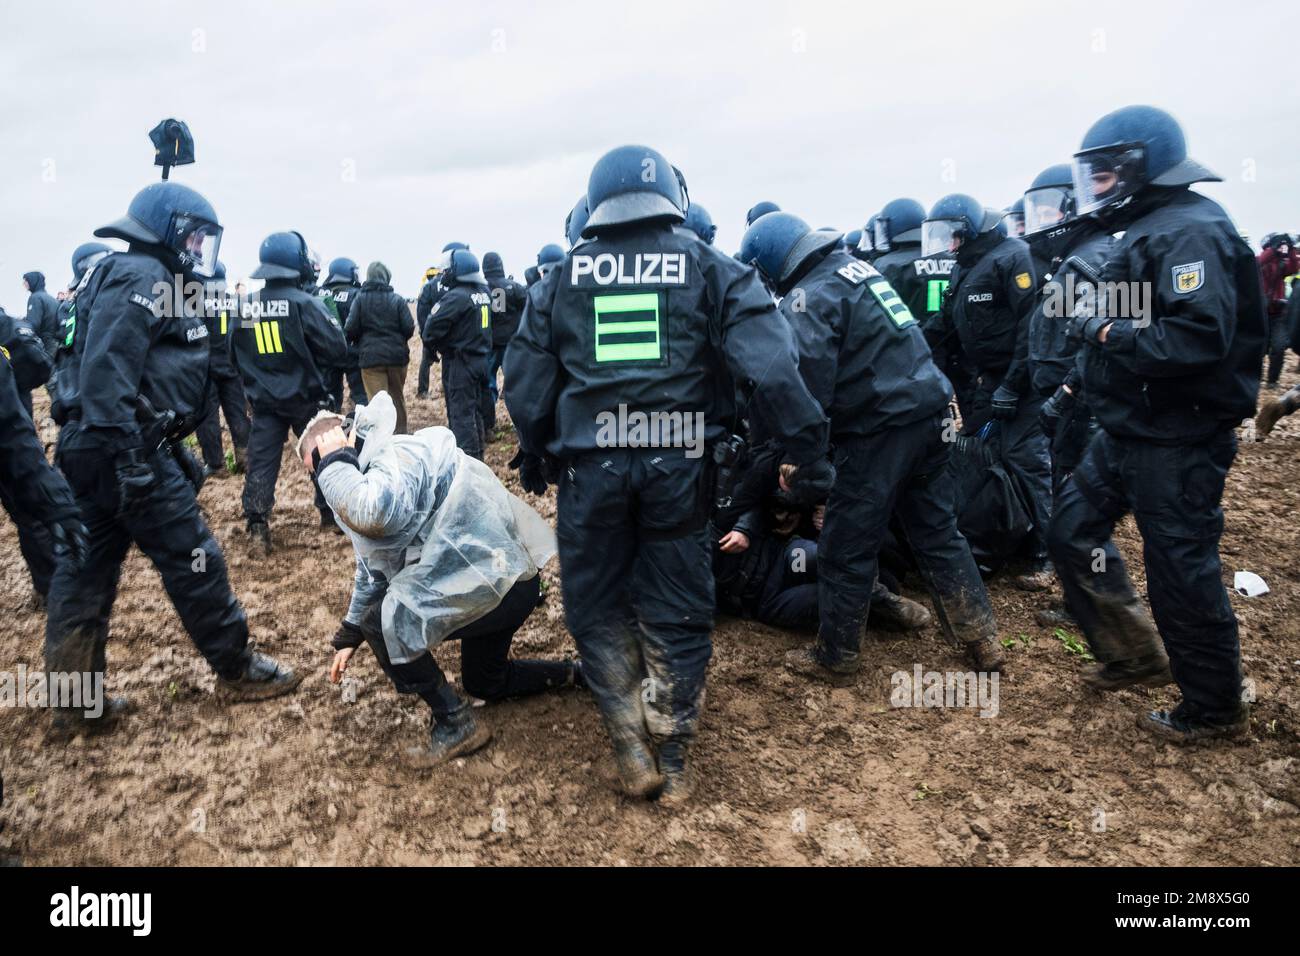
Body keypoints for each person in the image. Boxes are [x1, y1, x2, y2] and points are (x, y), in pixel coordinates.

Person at [506, 145, 831, 804]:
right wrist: (809, 454)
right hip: (678, 468)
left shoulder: (558, 280)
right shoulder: (716, 270)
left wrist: (538, 450)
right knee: (679, 606)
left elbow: (524, 386)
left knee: (597, 607)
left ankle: (629, 740)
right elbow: (773, 370)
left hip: (590, 471)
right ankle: (675, 751)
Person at [45, 181, 301, 736]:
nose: (198, 248)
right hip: (119, 449)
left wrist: (169, 446)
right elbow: (108, 374)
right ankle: (236, 668)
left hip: (91, 448)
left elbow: (128, 375)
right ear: (167, 231)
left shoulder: (120, 273)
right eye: (193, 235)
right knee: (195, 559)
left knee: (85, 572)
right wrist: (137, 460)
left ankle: (73, 703)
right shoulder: (143, 277)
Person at [1048, 105, 1266, 743]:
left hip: (1179, 436)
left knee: (1180, 570)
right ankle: (1135, 653)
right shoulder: (1147, 229)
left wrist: (1107, 328)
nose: (1097, 188)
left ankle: (1216, 710)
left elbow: (1196, 338)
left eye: (1107, 175)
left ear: (1144, 166)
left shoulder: (1188, 232)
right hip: (1128, 429)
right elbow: (1105, 307)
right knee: (1070, 529)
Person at [741, 212, 1003, 676]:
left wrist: (801, 457)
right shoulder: (856, 270)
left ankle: (836, 657)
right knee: (937, 531)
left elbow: (809, 389)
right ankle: (981, 639)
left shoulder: (808, 297)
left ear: (772, 265)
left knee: (845, 544)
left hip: (880, 430)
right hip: (929, 414)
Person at [303, 393, 578, 766]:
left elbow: (375, 514)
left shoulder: (390, 464)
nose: (319, 481)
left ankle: (456, 722)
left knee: (383, 625)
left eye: (316, 468)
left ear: (339, 448)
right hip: (503, 583)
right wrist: (349, 633)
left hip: (502, 584)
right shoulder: (370, 471)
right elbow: (373, 569)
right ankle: (575, 674)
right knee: (486, 681)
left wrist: (335, 465)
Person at [923, 192, 1051, 589]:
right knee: (978, 455)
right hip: (986, 381)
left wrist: (1014, 385)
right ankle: (1003, 537)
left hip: (1022, 380)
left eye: (952, 235)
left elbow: (1033, 327)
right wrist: (903, 347)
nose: (948, 244)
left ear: (970, 230)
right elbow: (943, 322)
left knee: (1027, 460)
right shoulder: (966, 266)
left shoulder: (1014, 257)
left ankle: (1048, 555)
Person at [231, 230, 349, 554]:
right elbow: (337, 350)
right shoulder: (306, 303)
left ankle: (257, 527)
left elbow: (233, 356)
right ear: (298, 261)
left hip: (264, 402)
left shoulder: (246, 307)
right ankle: (330, 515)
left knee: (262, 463)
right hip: (305, 399)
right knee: (322, 456)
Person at [0, 305, 60, 606]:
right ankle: (48, 586)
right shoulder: (11, 324)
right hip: (14, 432)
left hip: (10, 436)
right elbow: (40, 366)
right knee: (31, 513)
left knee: (30, 515)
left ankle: (49, 587)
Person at [424, 248, 492, 460]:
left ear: (457, 270)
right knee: (476, 413)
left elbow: (431, 329)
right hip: (481, 360)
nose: (444, 273)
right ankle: (478, 458)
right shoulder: (483, 292)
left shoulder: (455, 297)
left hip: (461, 363)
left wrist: (436, 347)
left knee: (461, 415)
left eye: (446, 270)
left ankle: (466, 463)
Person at [194, 261, 250, 477]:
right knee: (238, 414)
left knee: (207, 418)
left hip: (204, 370)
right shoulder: (238, 303)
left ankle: (216, 465)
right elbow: (250, 338)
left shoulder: (193, 303)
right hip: (233, 368)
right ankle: (246, 459)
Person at [344, 261, 413, 434]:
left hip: (370, 359)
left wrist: (361, 341)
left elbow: (350, 328)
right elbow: (409, 327)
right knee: (397, 397)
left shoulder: (360, 299)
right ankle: (401, 434)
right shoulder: (397, 300)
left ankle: (382, 437)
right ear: (386, 278)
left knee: (377, 402)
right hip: (397, 359)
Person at [482, 252, 526, 430]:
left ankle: (488, 424)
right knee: (516, 385)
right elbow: (527, 312)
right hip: (512, 344)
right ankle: (520, 424)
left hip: (489, 345)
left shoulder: (481, 289)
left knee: (488, 385)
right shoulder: (515, 287)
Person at [416, 244, 465, 398]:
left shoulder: (429, 287)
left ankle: (423, 390)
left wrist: (426, 334)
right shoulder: (460, 286)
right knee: (449, 363)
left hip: (433, 330)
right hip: (454, 334)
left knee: (426, 361)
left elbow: (421, 312)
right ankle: (448, 389)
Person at [321, 256, 368, 411]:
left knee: (332, 394)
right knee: (360, 396)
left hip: (329, 353)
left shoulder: (321, 294)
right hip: (352, 352)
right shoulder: (357, 294)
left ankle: (333, 429)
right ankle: (356, 430)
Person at [1258, 233, 1300, 389]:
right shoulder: (1262, 260)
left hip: (1279, 313)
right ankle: (1255, 377)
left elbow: (1295, 267)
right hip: (1261, 313)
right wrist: (1273, 249)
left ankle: (1272, 381)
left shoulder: (1282, 263)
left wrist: (1290, 249)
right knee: (1259, 348)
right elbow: (1260, 262)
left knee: (1279, 347)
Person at [22, 271, 60, 359]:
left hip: (46, 343)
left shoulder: (35, 297)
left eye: (26, 281)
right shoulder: (52, 299)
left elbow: (33, 324)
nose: (23, 284)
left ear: (33, 281)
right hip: (56, 343)